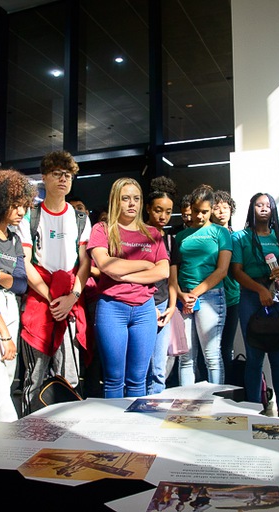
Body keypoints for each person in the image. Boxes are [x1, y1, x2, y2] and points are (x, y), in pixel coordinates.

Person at [19, 150, 91, 413]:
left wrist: (72, 297)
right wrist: (52, 298)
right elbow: (25, 261)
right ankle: (30, 429)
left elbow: (85, 264)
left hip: (70, 302)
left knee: (69, 378)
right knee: (34, 378)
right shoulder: (30, 215)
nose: (63, 179)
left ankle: (67, 430)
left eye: (68, 175)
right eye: (57, 174)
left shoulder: (80, 218)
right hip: (39, 303)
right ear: (44, 177)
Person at [87, 178, 169, 397]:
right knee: (114, 379)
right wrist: (145, 265)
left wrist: (121, 274)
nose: (132, 203)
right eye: (125, 198)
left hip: (145, 309)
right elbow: (106, 265)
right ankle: (114, 421)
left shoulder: (153, 233)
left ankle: (136, 421)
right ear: (116, 200)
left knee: (138, 379)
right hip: (112, 307)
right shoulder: (102, 229)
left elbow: (163, 271)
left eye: (136, 198)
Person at [231, 193, 279, 416]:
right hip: (250, 298)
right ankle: (254, 409)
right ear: (251, 208)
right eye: (259, 205)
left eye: (268, 205)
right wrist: (260, 290)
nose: (263, 208)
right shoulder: (240, 237)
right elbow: (236, 271)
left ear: (273, 209)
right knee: (254, 357)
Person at [0, 169, 35, 421]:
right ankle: (6, 440)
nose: (21, 212)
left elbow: (21, 283)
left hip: (11, 305)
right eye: (15, 205)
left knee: (7, 381)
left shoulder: (14, 239)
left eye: (24, 205)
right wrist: (4, 333)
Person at [172, 185, 232, 385]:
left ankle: (216, 401)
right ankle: (186, 401)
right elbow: (173, 271)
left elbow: (222, 270)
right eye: (196, 211)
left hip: (210, 296)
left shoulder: (221, 233)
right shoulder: (180, 236)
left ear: (212, 209)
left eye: (204, 212)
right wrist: (181, 294)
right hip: (183, 298)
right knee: (185, 356)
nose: (199, 216)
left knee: (212, 356)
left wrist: (193, 294)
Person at [145, 176, 179, 394]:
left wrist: (171, 307)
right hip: (140, 304)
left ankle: (156, 406)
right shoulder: (136, 237)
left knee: (159, 367)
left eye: (168, 212)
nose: (163, 216)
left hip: (163, 304)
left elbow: (172, 279)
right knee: (141, 367)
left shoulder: (170, 240)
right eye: (158, 210)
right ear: (148, 208)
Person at [212, 190, 241, 382]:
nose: (222, 211)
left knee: (226, 346)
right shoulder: (208, 236)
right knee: (210, 349)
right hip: (210, 296)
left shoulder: (238, 237)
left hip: (233, 298)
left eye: (225, 207)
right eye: (217, 207)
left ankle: (227, 387)